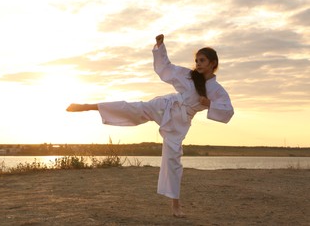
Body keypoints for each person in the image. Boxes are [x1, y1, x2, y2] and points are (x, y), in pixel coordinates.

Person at [66, 34, 234, 217]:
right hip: (166, 105)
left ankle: (175, 206)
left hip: (180, 122)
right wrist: (160, 47)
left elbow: (228, 110)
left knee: (173, 160)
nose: (198, 63)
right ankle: (91, 106)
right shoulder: (189, 75)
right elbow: (166, 68)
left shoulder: (217, 90)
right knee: (134, 108)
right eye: (197, 60)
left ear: (213, 63)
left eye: (202, 60)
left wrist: (209, 104)